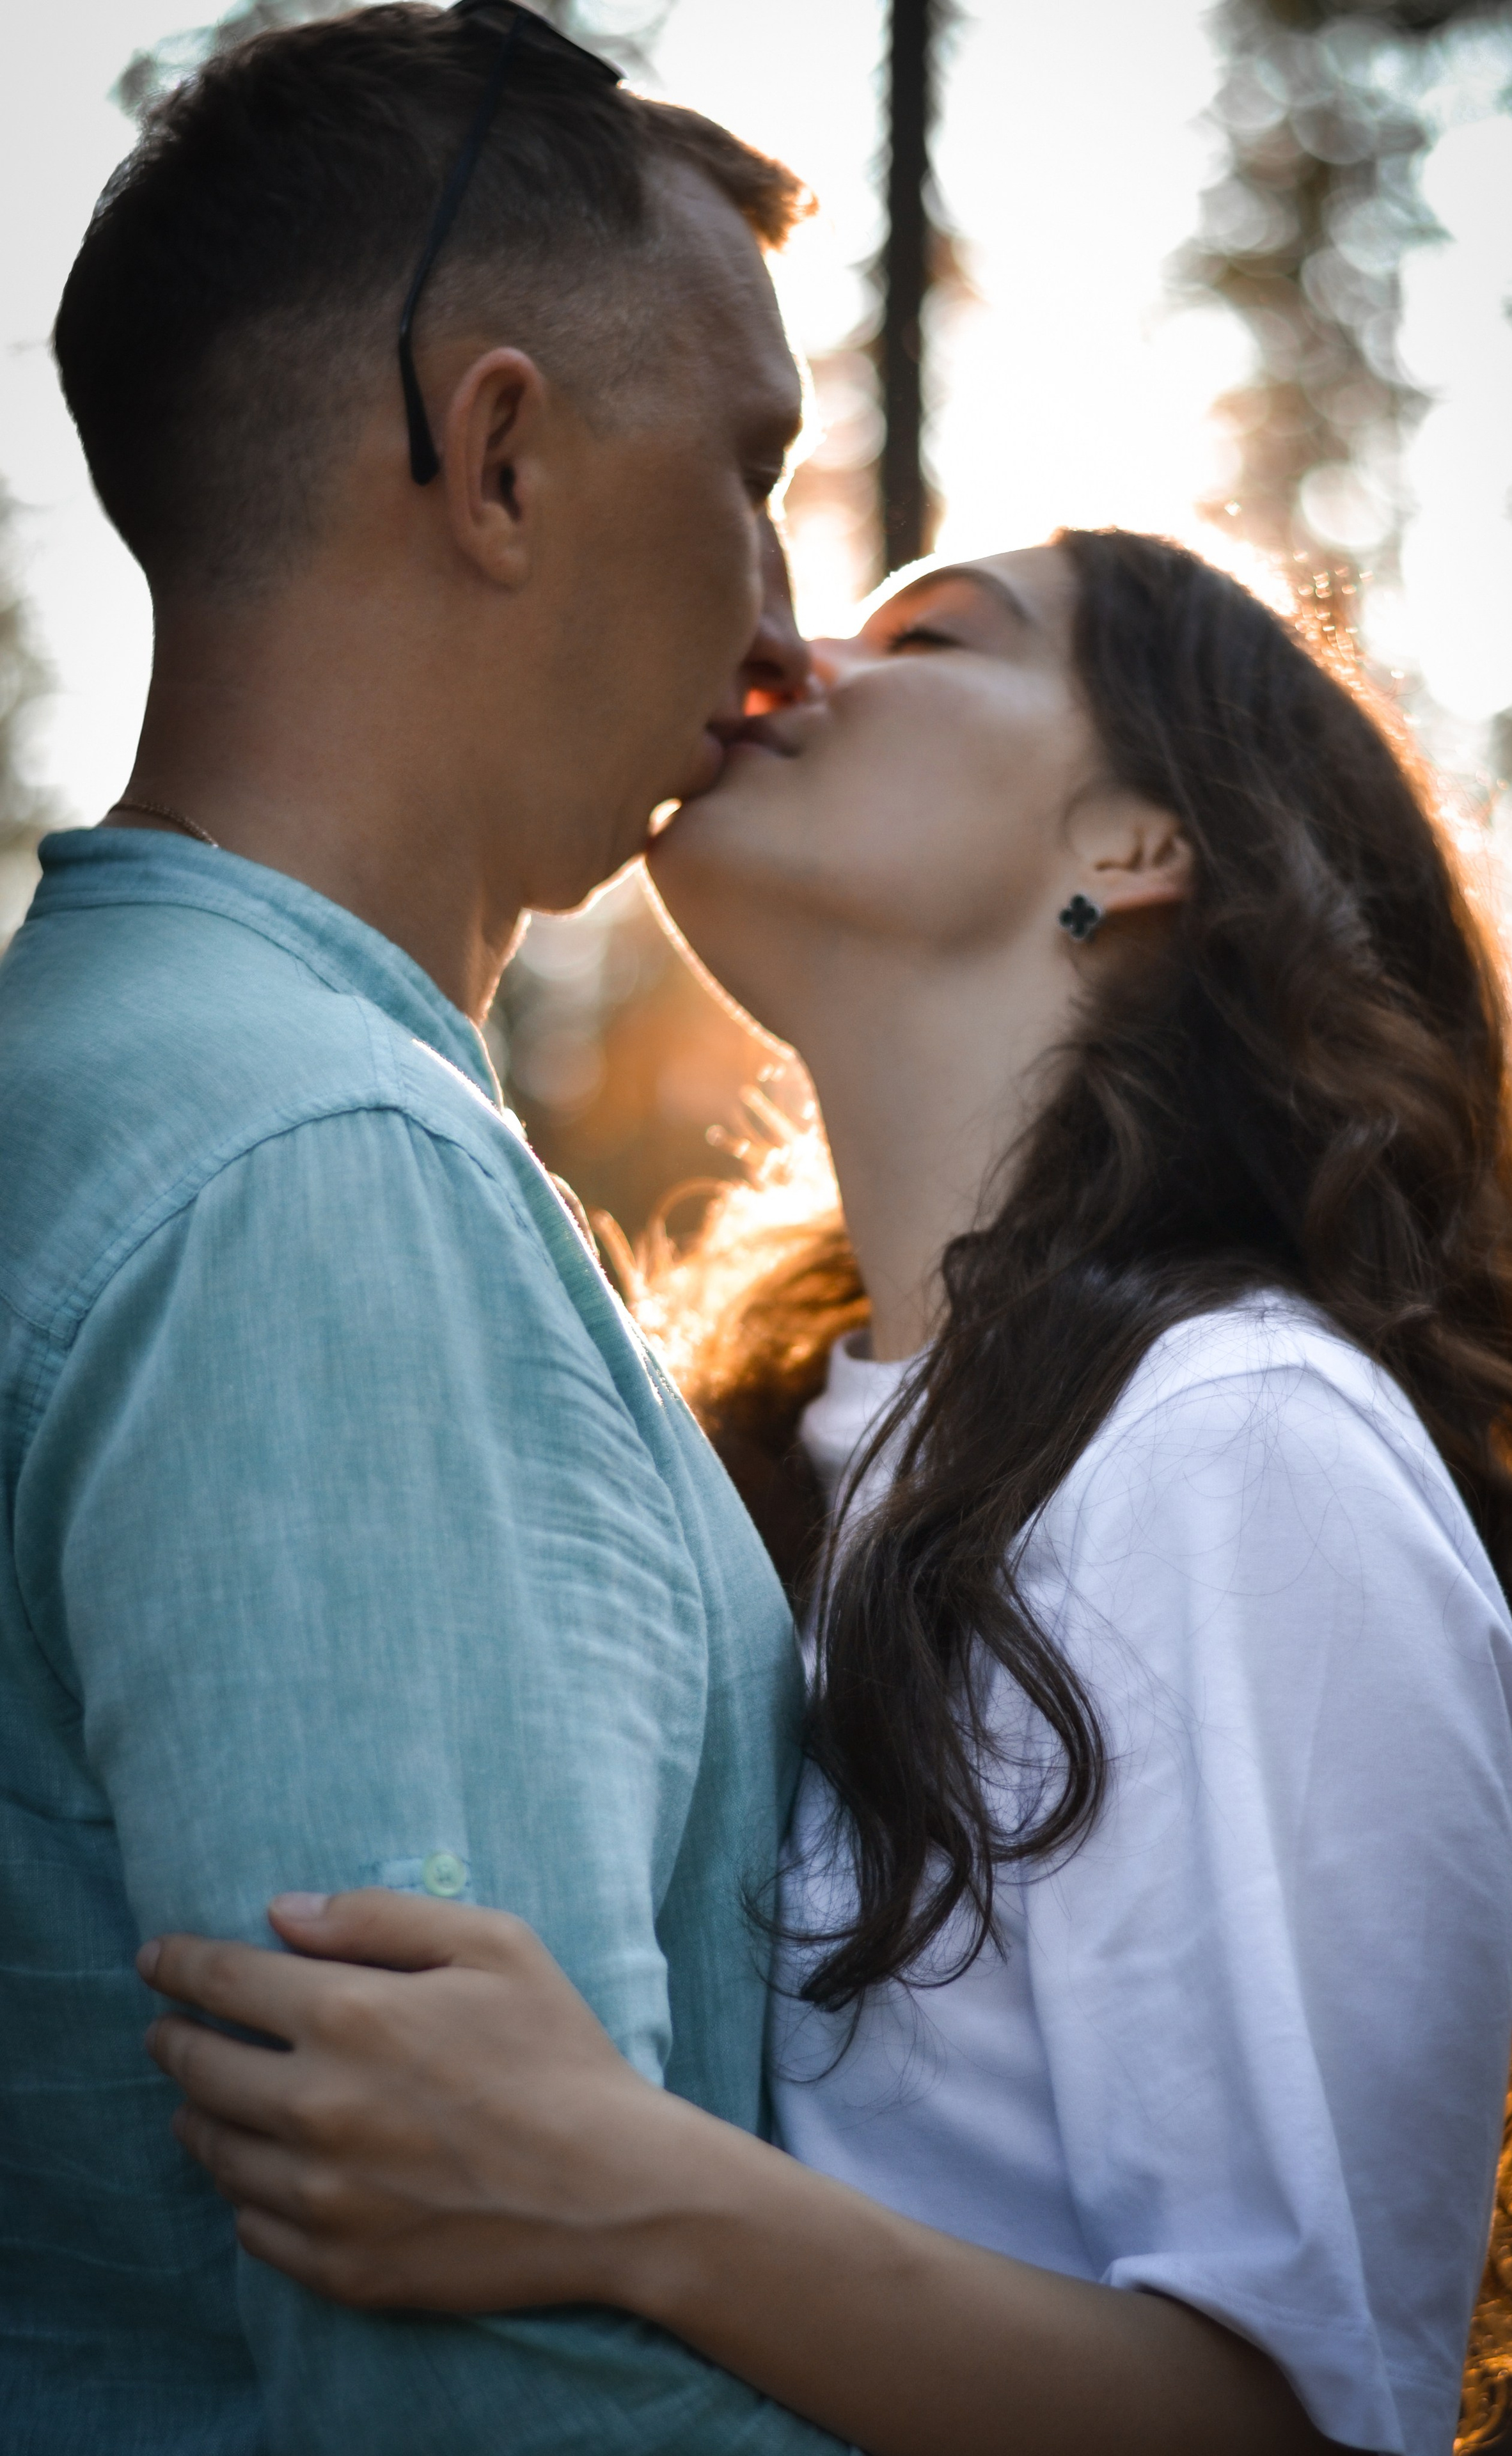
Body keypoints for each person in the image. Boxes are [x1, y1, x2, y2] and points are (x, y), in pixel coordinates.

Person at [141, 531, 1512, 2456]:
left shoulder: (1242, 1445)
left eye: (928, 635)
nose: (777, 660)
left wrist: (612, 2187)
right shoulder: (773, 1456)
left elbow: (1292, 2423)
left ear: (1135, 842)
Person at [0, 7, 851, 2452]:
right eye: (753, 467)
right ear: (495, 457)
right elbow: (482, 2392)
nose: (790, 631)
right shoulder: (310, 1175)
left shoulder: (115, 1084)